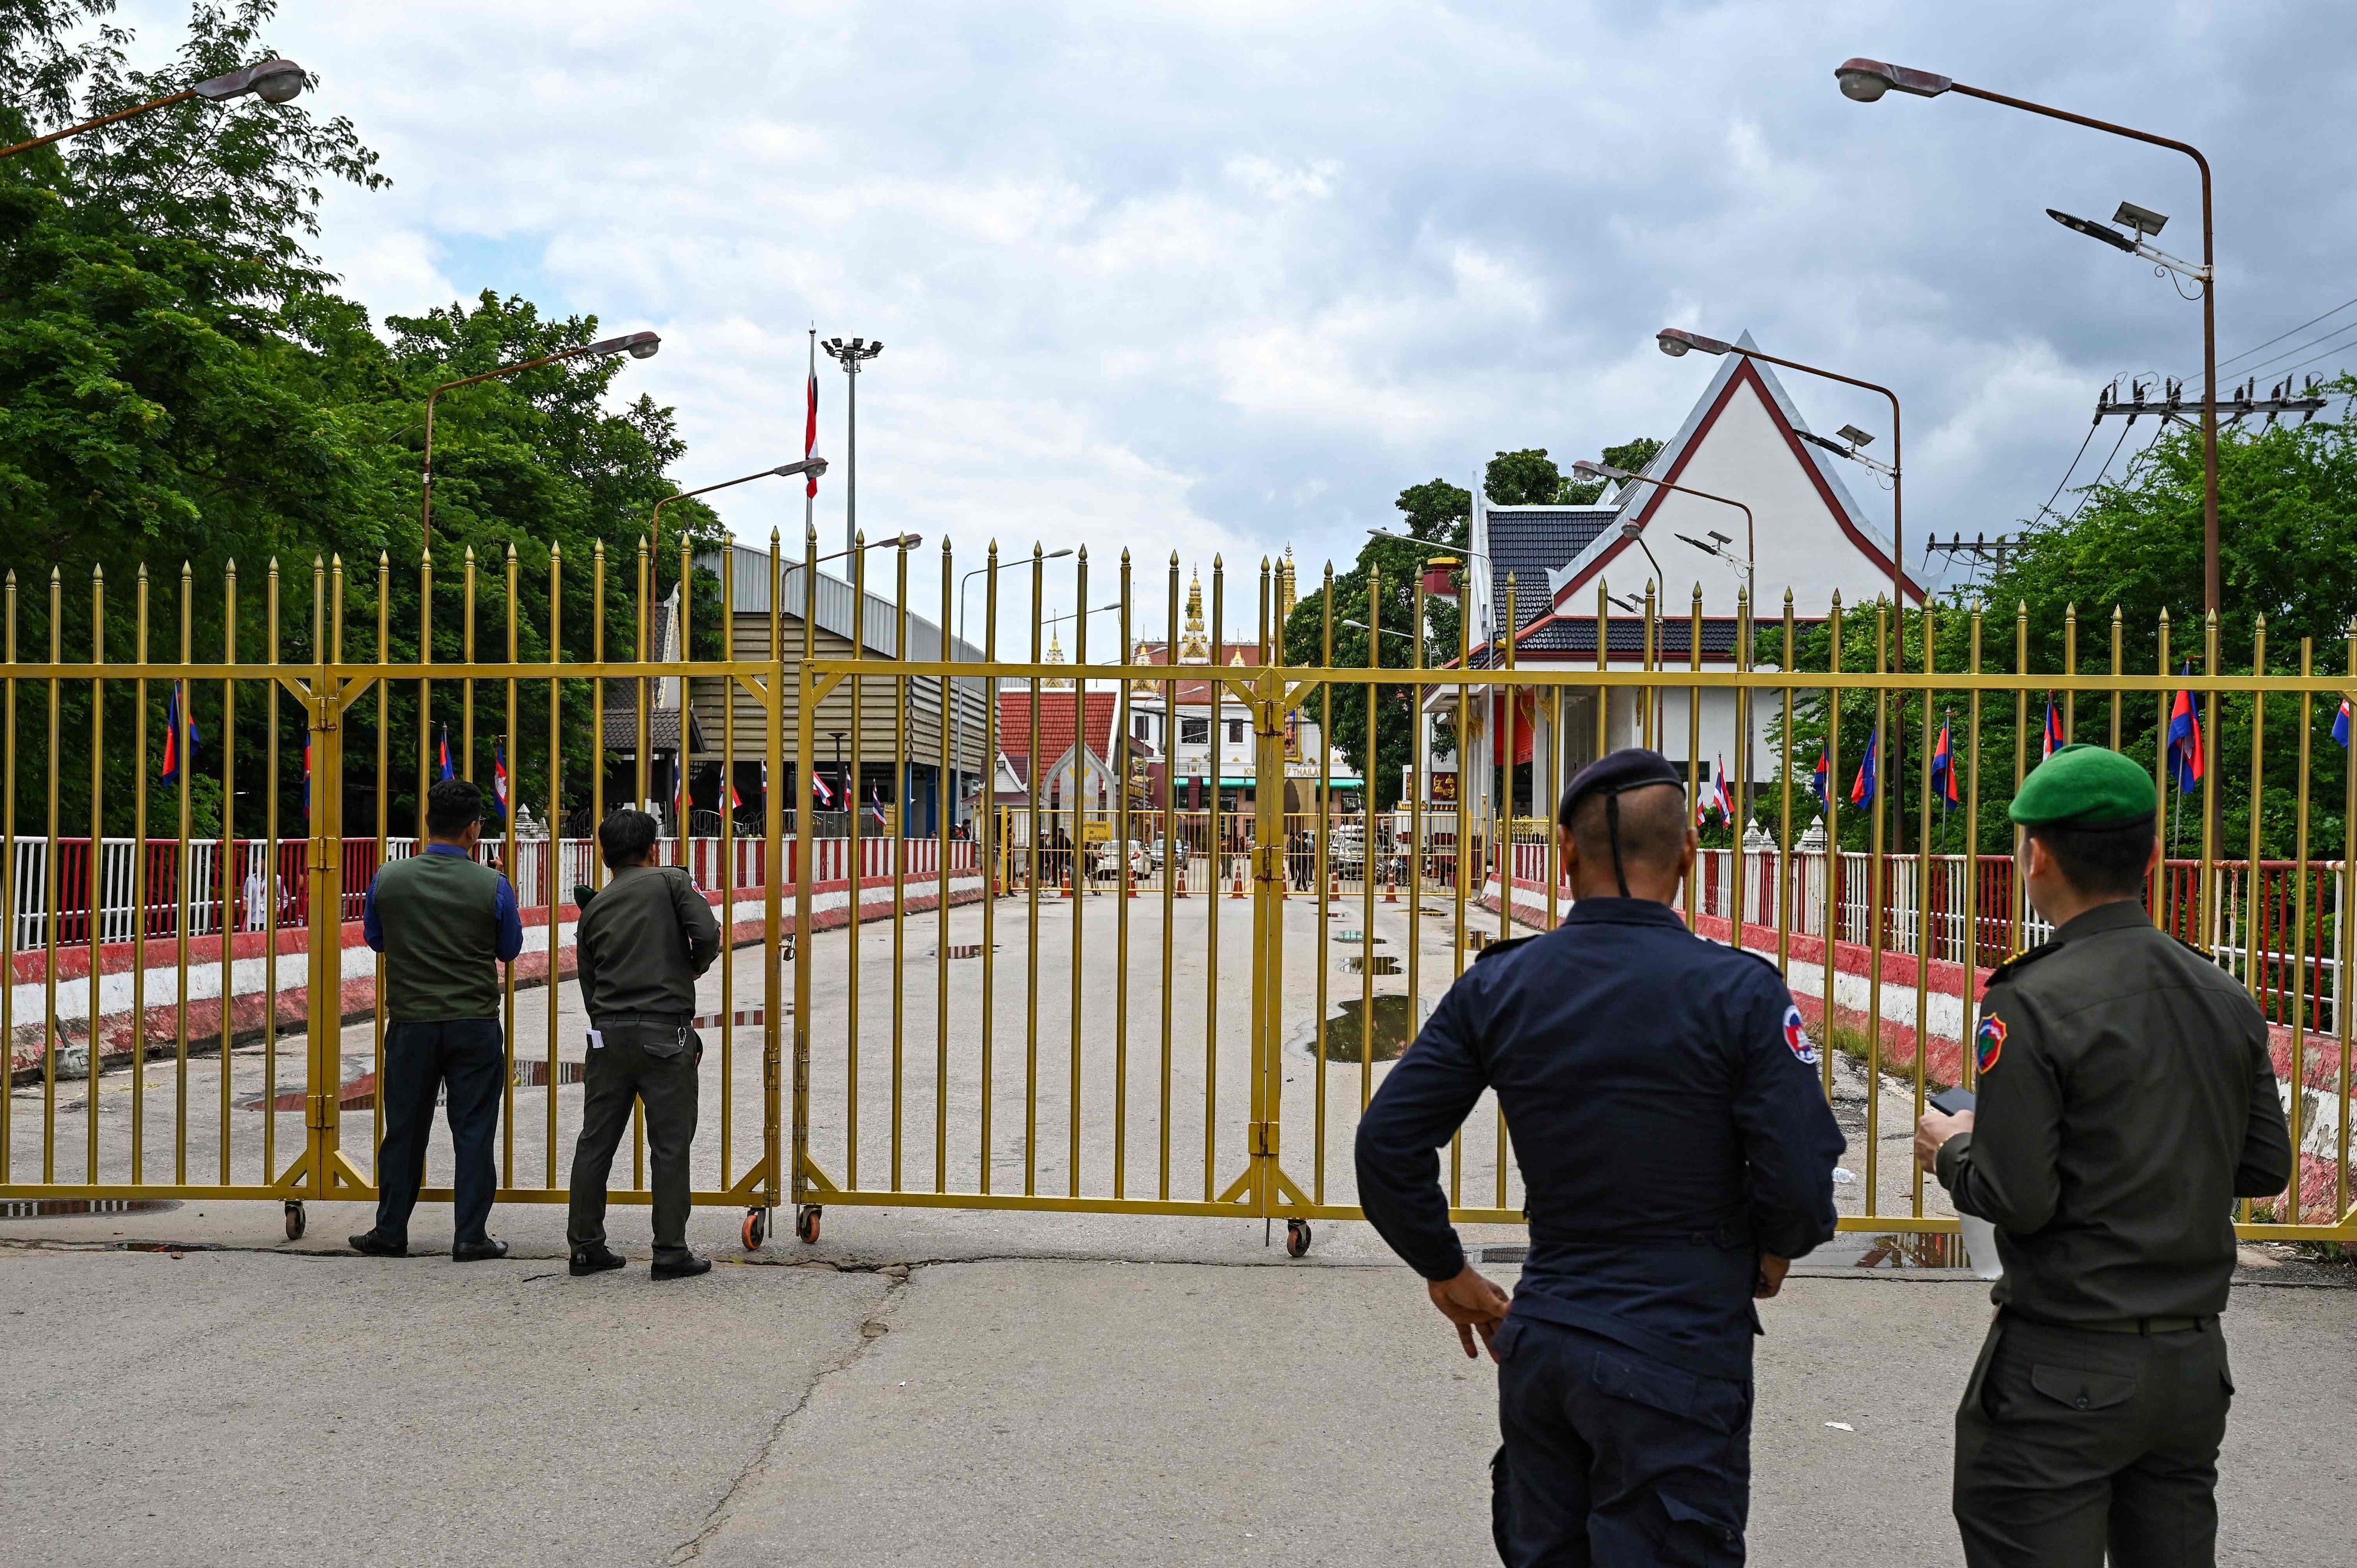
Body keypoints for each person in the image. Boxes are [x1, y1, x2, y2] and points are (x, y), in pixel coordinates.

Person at [1356, 747, 1844, 1566]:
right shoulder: (1741, 992)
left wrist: (1445, 1267)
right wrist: (1773, 1247)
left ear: (1566, 851)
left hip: (1548, 1336)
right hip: (1679, 1345)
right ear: (1689, 852)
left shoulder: (1502, 985)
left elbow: (1388, 1141)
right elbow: (1797, 1169)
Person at [1916, 743, 2292, 1568]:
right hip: (2192, 1366)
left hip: (2066, 1365)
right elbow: (2265, 1166)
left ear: (2035, 855)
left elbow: (2017, 1196)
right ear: (2154, 856)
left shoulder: (2032, 998)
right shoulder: (2223, 994)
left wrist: (1956, 1148)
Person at [350, 778, 524, 1261]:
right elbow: (509, 949)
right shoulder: (493, 884)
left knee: (404, 1128)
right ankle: (470, 1235)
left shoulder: (389, 877)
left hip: (412, 1022)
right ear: (474, 830)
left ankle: (390, 1231)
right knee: (473, 1128)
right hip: (474, 1022)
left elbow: (377, 939)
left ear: (428, 823)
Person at [567, 807, 724, 1279]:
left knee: (595, 1142)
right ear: (653, 849)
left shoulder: (593, 906)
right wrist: (690, 968)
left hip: (608, 1037)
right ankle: (670, 1251)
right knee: (670, 1146)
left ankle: (585, 1246)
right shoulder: (672, 882)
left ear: (605, 854)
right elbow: (708, 934)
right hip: (665, 1034)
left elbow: (589, 980)